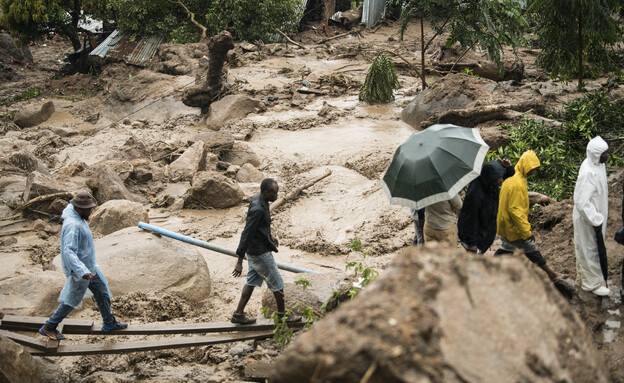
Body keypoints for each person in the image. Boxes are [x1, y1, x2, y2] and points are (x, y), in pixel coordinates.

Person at [39, 191, 127, 340]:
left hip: (89, 266)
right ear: (79, 208)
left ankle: (109, 322)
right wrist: (82, 271)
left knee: (102, 292)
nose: (90, 211)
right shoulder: (73, 225)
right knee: (71, 299)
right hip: (80, 269)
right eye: (88, 209)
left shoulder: (77, 217)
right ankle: (49, 327)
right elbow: (68, 251)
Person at [231, 178, 301, 324]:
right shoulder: (257, 209)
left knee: (250, 282)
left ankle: (238, 314)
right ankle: (283, 316)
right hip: (259, 253)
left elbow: (260, 226)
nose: (277, 195)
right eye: (275, 193)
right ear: (266, 192)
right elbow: (247, 233)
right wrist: (239, 261)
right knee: (278, 284)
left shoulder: (259, 200)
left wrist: (270, 236)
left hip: (255, 251)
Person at [494, 151, 564, 282]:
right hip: (513, 226)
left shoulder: (514, 178)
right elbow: (515, 210)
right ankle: (552, 275)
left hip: (506, 223)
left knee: (506, 249)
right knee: (530, 249)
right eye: (533, 168)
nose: (535, 171)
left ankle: (488, 269)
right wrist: (526, 231)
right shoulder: (517, 184)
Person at [573, 136, 610, 296]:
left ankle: (583, 277)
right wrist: (595, 219)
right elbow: (581, 201)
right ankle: (592, 284)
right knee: (590, 250)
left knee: (588, 248)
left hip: (595, 215)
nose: (607, 156)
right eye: (604, 153)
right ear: (596, 154)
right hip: (588, 218)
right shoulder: (588, 172)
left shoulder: (597, 165)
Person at [458, 158, 514, 254]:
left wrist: (508, 168)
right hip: (475, 238)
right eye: (499, 178)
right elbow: (470, 219)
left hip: (485, 233)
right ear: (491, 178)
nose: (501, 180)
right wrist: (472, 243)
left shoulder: (490, 184)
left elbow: (508, 176)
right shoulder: (475, 195)